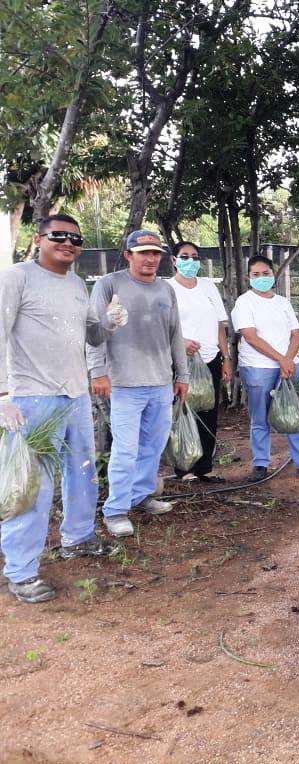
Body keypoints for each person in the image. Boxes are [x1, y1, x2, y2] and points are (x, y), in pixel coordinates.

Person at [0, 215, 115, 603]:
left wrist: (109, 323)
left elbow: (90, 334)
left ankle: (78, 536)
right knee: (33, 485)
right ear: (39, 240)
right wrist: (3, 395)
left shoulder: (77, 284)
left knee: (83, 471)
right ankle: (21, 571)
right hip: (33, 398)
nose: (68, 243)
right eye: (58, 236)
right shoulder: (17, 277)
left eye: (75, 239)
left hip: (75, 394)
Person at [87, 230, 189, 538]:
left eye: (155, 253)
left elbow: (175, 334)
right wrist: (97, 371)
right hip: (124, 384)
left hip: (160, 382)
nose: (150, 258)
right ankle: (116, 510)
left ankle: (142, 495)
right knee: (126, 449)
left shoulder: (165, 290)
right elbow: (93, 334)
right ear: (129, 254)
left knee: (153, 446)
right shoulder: (110, 284)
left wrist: (182, 375)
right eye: (143, 252)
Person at [231, 256, 299, 483]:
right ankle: (261, 463)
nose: (262, 278)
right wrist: (282, 360)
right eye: (256, 274)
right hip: (258, 367)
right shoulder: (244, 302)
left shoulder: (283, 302)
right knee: (260, 416)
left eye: (266, 273)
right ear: (248, 277)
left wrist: (288, 361)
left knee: (297, 414)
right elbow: (250, 337)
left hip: (290, 366)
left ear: (274, 275)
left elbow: (296, 334)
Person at [166, 241, 233, 483]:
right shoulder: (166, 288)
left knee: (209, 412)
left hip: (210, 359)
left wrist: (226, 358)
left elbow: (219, 324)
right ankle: (184, 468)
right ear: (174, 260)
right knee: (184, 411)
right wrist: (181, 341)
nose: (191, 261)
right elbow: (161, 325)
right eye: (185, 256)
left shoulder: (207, 287)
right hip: (181, 362)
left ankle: (204, 468)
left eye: (195, 257)